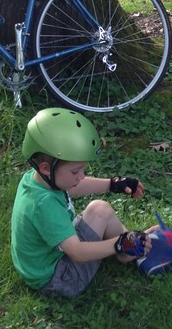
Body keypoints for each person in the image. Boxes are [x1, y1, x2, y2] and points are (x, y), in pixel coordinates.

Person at [11, 106, 157, 298]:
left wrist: (111, 185)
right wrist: (118, 244)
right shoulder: (44, 204)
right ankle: (128, 249)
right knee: (102, 217)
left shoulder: (38, 179)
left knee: (100, 209)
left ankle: (129, 250)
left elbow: (74, 186)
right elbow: (77, 252)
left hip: (47, 261)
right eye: (75, 171)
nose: (81, 176)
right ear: (46, 168)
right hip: (59, 278)